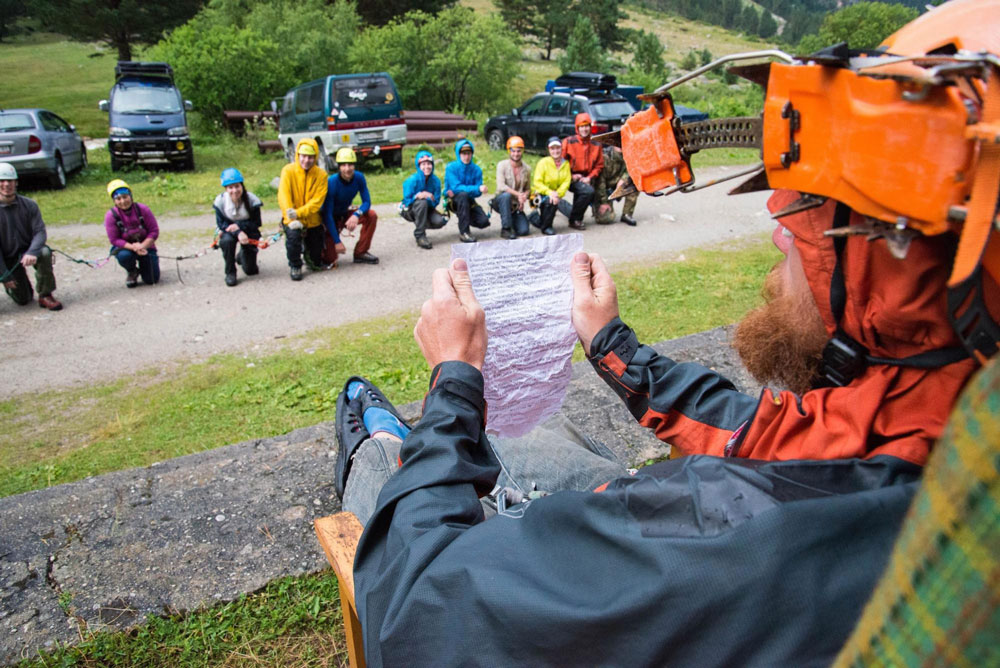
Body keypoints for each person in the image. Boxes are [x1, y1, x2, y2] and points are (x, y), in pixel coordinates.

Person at [332, 2, 1000, 663]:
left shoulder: (720, 534)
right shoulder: (942, 445)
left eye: (811, 220)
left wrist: (453, 383)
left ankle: (379, 430)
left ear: (902, 274)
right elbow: (800, 439)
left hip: (460, 581)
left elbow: (416, 603)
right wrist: (612, 346)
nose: (778, 231)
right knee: (542, 440)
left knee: (394, 462)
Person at [0, 162, 62, 310]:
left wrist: (32, 252)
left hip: (28, 251)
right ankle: (14, 286)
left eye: (10, 180)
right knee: (24, 299)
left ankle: (45, 294)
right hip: (6, 257)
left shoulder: (29, 205)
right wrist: (4, 276)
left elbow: (40, 232)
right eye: (2, 181)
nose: (6, 184)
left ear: (16, 183)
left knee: (44, 252)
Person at [278, 138, 328, 281]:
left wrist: (299, 213)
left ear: (315, 157)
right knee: (293, 237)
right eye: (303, 156)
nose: (306, 160)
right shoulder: (288, 171)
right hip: (291, 219)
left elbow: (317, 202)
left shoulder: (321, 175)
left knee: (315, 260)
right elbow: (283, 195)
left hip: (312, 220)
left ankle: (309, 253)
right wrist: (291, 218)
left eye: (310, 157)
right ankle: (295, 265)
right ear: (297, 155)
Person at [320, 147, 379, 265]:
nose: (347, 169)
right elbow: (327, 215)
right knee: (329, 259)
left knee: (371, 215)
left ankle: (361, 252)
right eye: (343, 165)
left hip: (345, 213)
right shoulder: (332, 182)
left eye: (350, 165)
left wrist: (357, 215)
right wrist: (337, 241)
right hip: (331, 218)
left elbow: (366, 202)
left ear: (354, 165)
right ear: (339, 167)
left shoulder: (359, 177)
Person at [104, 179, 160, 288]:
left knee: (151, 280)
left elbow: (154, 231)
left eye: (125, 197)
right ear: (114, 201)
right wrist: (134, 248)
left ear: (130, 196)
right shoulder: (110, 216)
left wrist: (143, 246)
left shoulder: (143, 209)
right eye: (118, 199)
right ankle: (132, 271)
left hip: (146, 247)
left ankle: (150, 265)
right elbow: (114, 239)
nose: (123, 201)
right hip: (126, 248)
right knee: (125, 256)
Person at [213, 167, 262, 287]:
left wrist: (239, 227)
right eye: (230, 187)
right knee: (227, 241)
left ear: (242, 186)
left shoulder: (252, 200)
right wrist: (238, 232)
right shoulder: (220, 202)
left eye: (237, 186)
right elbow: (221, 224)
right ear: (226, 188)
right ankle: (230, 272)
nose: (234, 190)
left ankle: (241, 256)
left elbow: (257, 223)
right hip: (228, 232)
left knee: (251, 271)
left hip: (249, 231)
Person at [560, 112, 602, 230]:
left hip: (588, 177)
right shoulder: (568, 142)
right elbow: (561, 163)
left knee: (586, 190)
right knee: (588, 192)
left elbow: (599, 165)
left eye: (587, 126)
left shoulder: (596, 144)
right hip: (570, 177)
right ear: (577, 128)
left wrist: (589, 177)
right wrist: (571, 176)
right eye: (581, 126)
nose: (584, 129)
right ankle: (575, 220)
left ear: (590, 127)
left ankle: (562, 206)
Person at [444, 139, 490, 243]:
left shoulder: (477, 169)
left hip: (469, 200)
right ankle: (464, 232)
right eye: (463, 154)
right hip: (453, 200)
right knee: (462, 195)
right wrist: (476, 188)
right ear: (458, 154)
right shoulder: (451, 167)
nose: (467, 157)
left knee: (484, 222)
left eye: (469, 153)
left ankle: (464, 217)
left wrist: (478, 190)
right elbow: (455, 188)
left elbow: (478, 193)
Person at [400, 150, 446, 250]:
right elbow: (406, 200)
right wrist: (418, 196)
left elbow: (436, 201)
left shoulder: (436, 181)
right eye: (423, 164)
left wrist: (427, 197)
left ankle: (421, 222)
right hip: (409, 209)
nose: (427, 167)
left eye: (429, 164)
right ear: (418, 166)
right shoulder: (412, 180)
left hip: (427, 208)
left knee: (439, 221)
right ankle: (420, 235)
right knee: (422, 203)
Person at [490, 136, 534, 239]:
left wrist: (523, 197)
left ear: (522, 151)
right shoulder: (502, 165)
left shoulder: (527, 169)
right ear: (509, 151)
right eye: (513, 151)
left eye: (518, 151)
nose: (516, 154)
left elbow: (528, 189)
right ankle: (506, 229)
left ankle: (529, 217)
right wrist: (518, 194)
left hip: (515, 205)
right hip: (501, 200)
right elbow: (501, 186)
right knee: (506, 196)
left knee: (524, 231)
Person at [531, 136, 572, 236]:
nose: (555, 151)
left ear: (561, 149)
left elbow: (566, 181)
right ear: (549, 150)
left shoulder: (565, 164)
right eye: (552, 148)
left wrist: (557, 194)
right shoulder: (543, 163)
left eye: (557, 148)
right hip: (538, 195)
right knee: (551, 202)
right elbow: (537, 182)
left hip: (556, 195)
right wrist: (550, 193)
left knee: (571, 213)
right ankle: (546, 227)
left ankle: (541, 220)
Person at [595, 144, 638, 226]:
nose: (620, 145)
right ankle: (596, 205)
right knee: (606, 219)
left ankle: (627, 214)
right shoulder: (605, 156)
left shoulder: (629, 154)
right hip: (605, 189)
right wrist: (603, 202)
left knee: (634, 184)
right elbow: (600, 182)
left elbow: (632, 169)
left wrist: (623, 179)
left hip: (619, 183)